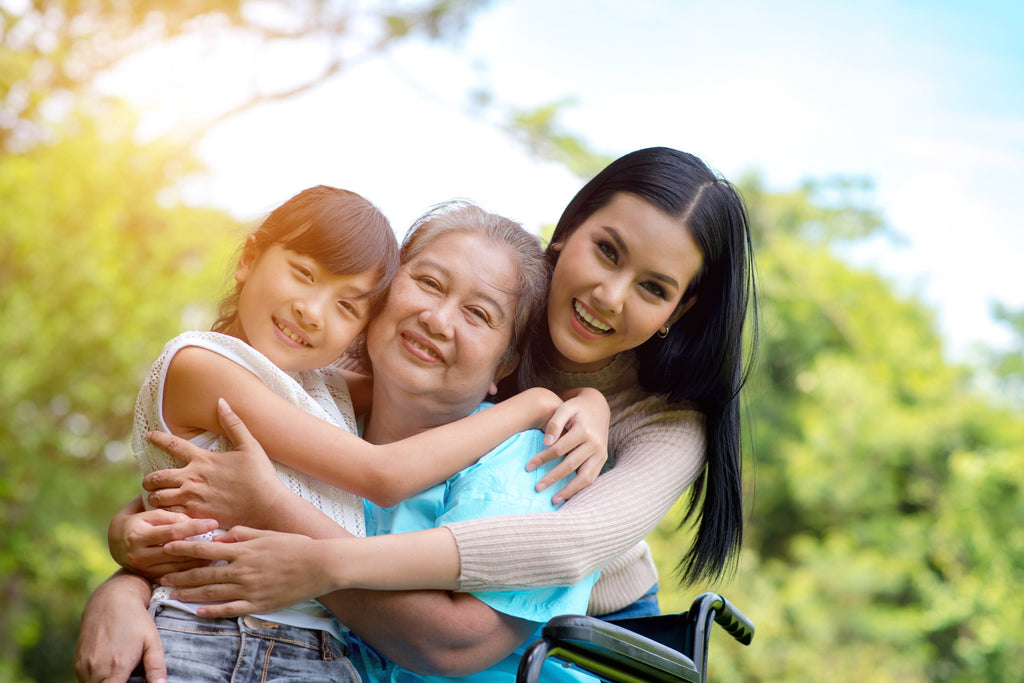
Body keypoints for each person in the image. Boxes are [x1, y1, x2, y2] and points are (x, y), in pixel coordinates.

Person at [79, 146, 758, 678]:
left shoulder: (635, 424)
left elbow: (561, 549)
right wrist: (128, 577)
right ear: (569, 230)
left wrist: (315, 554)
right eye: (606, 250)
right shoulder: (378, 370)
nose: (609, 295)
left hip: (566, 633)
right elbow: (210, 481)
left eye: (653, 287)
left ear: (681, 310)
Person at [85, 190, 607, 683]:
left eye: (477, 314)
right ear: (382, 306)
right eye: (427, 282)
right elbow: (190, 506)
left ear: (507, 362)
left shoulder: (526, 452)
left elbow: (454, 643)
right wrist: (125, 581)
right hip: (215, 638)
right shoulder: (311, 402)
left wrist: (569, 402)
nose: (438, 319)